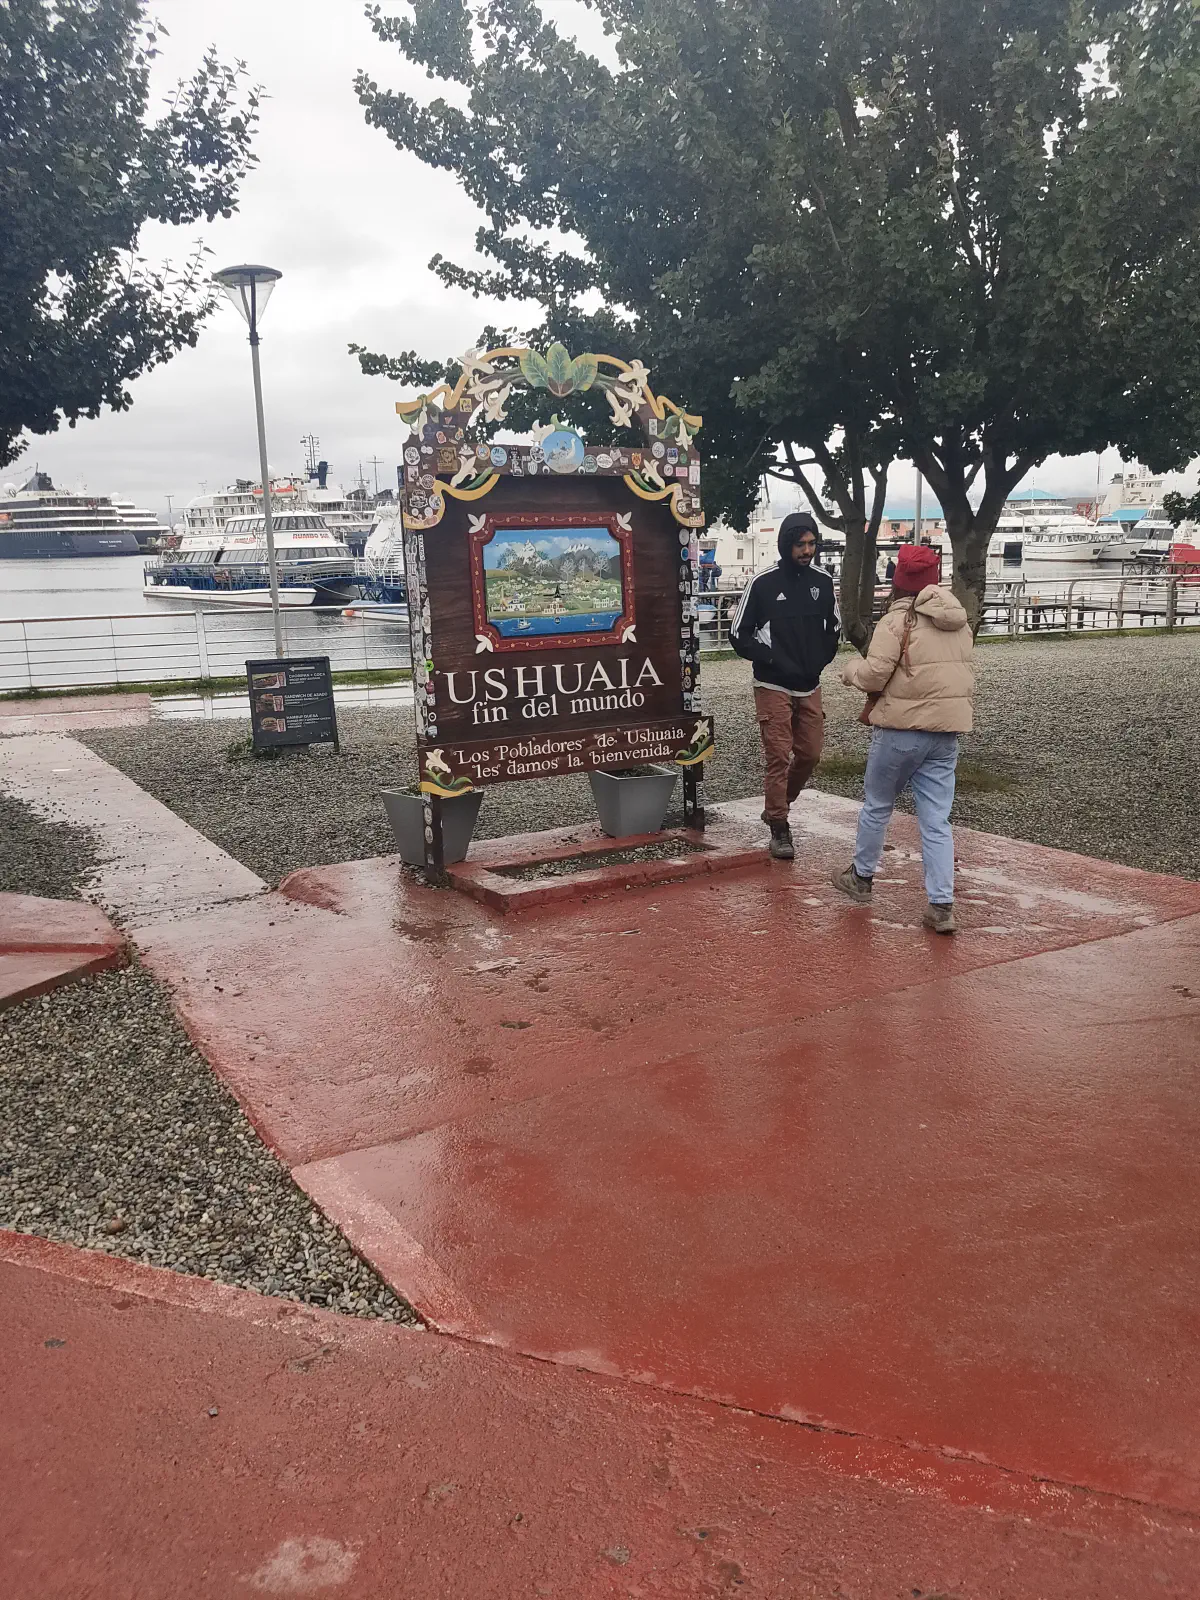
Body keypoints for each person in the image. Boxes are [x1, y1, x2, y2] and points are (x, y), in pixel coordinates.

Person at [832, 543, 975, 933]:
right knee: (936, 820)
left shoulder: (896, 621)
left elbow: (874, 675)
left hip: (899, 731)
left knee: (878, 805)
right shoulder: (959, 622)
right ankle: (941, 905)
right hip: (945, 734)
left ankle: (861, 878)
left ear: (897, 582)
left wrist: (851, 669)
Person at [730, 511, 840, 859]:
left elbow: (835, 630)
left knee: (810, 754)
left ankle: (778, 803)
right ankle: (779, 825)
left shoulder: (823, 582)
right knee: (778, 755)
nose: (807, 550)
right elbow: (738, 634)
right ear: (785, 545)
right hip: (772, 683)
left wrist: (818, 662)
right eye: (800, 544)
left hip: (810, 684)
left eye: (811, 544)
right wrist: (771, 658)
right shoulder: (762, 583)